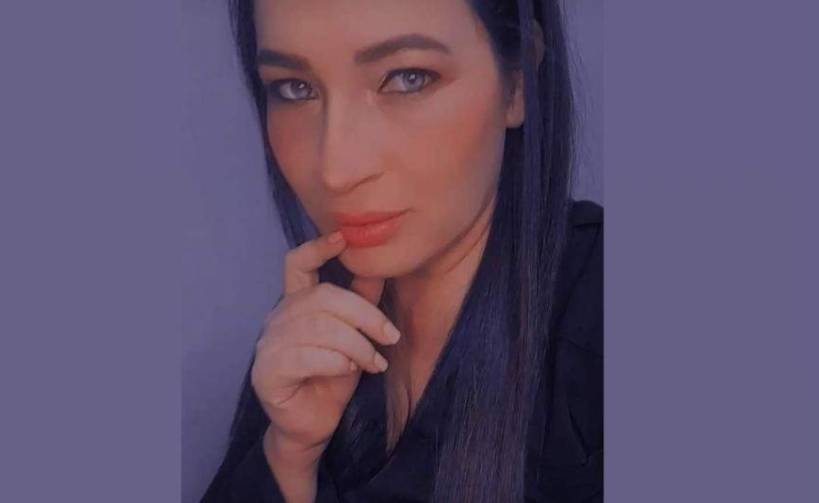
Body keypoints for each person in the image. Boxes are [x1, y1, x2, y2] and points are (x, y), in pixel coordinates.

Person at [202, 0, 602, 501]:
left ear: (517, 82)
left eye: (407, 78)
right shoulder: (312, 327)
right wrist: (290, 457)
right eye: (295, 88)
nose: (335, 170)